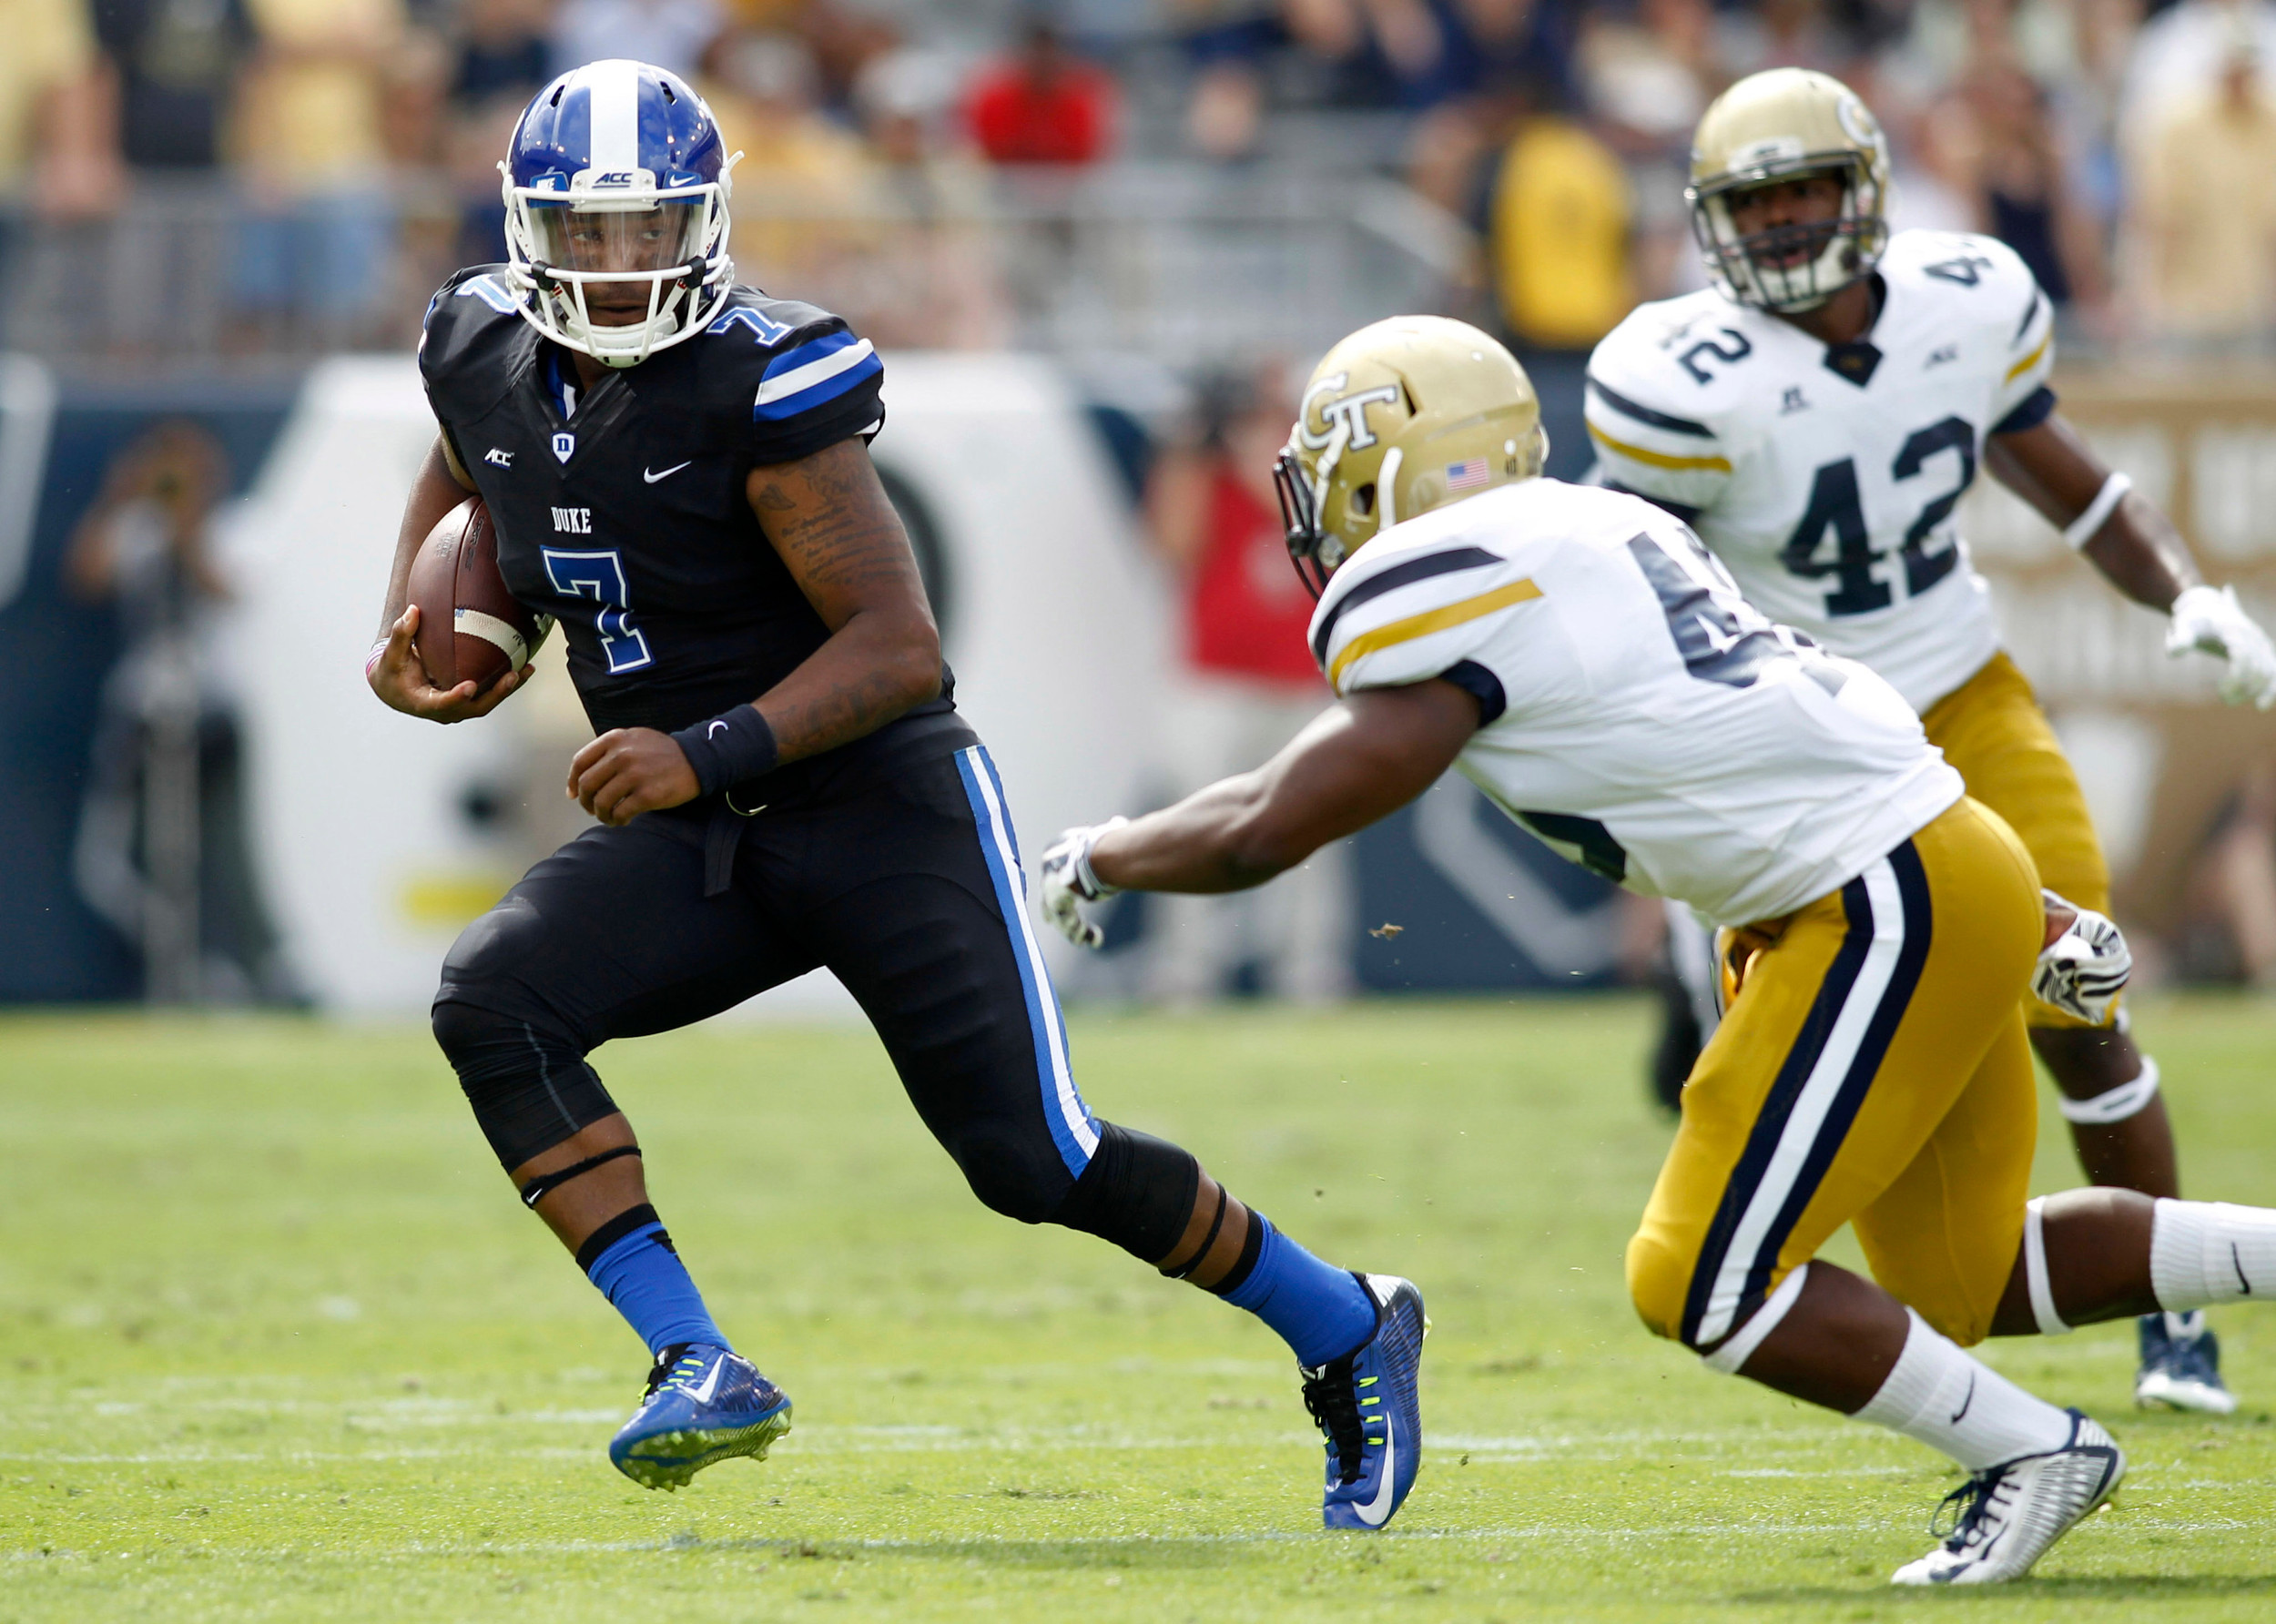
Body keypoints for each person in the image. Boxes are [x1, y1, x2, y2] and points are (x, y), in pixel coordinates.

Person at [1040, 313, 2276, 1585]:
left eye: (1339, 481)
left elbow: (1267, 827)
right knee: (1967, 1273)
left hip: (1880, 898)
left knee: (1700, 1278)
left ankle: (2035, 1455)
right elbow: (1796, 709)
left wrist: (1109, 851)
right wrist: (2022, 914)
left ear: (1401, 475)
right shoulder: (1606, 530)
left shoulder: (1457, 575)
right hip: (1921, 861)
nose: (1318, 518)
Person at [361, 58, 1424, 1529]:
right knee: (494, 999)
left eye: (649, 230)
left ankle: (1348, 1324)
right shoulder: (474, 338)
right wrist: (428, 625)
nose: (617, 268)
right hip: (696, 825)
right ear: (530, 229)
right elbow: (471, 460)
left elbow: (900, 650)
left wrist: (703, 747)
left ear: (711, 223)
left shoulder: (764, 379)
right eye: (588, 234)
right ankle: (696, 1357)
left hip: (872, 804)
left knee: (1031, 1159)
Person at [1583, 66, 2276, 1414]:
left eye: (1802, 192)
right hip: (1800, 753)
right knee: (1851, 1140)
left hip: (1961, 696)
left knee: (2080, 995)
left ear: (1865, 193)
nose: (1780, 224)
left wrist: (2187, 590)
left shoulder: (1964, 303)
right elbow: (1629, 581)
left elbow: (2069, 479)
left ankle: (2177, 1327)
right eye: (1753, 201)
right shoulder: (1680, 375)